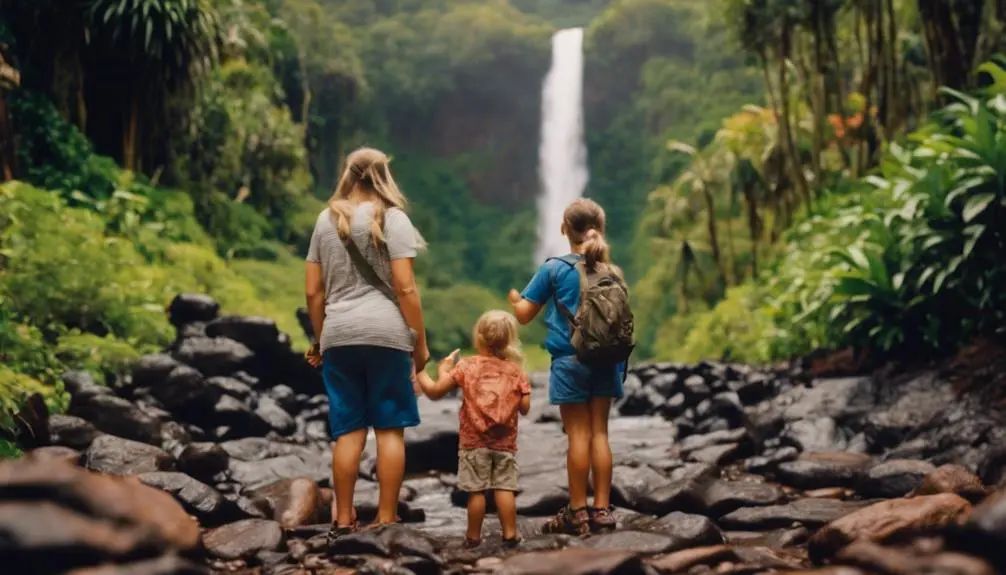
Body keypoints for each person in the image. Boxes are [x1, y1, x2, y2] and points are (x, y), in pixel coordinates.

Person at [304, 147, 430, 543]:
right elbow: (406, 287)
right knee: (390, 428)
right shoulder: (393, 219)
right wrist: (420, 344)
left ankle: (343, 518)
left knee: (349, 430)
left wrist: (322, 337)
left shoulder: (325, 221)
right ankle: (386, 518)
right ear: (382, 176)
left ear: (349, 174)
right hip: (387, 335)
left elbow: (313, 293)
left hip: (339, 335)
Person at [507, 198, 630, 536]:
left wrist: (516, 299)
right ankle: (603, 509)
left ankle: (578, 510)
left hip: (569, 361)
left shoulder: (554, 269)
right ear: (600, 230)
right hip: (607, 361)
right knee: (600, 433)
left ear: (564, 229)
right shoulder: (611, 272)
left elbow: (524, 315)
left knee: (577, 434)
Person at [415, 310, 531, 549]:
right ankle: (510, 534)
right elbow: (526, 408)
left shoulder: (466, 367)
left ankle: (473, 536)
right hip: (505, 444)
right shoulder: (516, 371)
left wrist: (426, 371)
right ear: (510, 340)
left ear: (479, 337)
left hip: (473, 442)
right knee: (504, 487)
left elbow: (435, 392)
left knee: (476, 491)